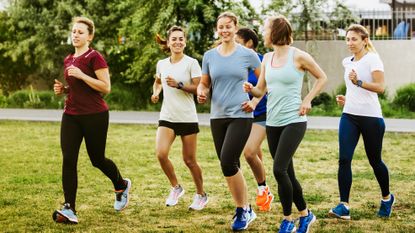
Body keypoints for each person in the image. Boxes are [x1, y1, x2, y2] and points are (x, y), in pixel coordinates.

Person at [244, 15, 327, 233]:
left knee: (279, 169)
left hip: (294, 119)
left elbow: (322, 77)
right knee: (288, 174)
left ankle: (288, 219)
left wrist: (307, 99)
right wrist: (249, 90)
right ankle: (306, 215)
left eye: (266, 28)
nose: (263, 32)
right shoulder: (267, 58)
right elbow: (261, 90)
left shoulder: (298, 56)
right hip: (273, 121)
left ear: (276, 31)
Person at [52, 16, 131, 224]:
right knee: (68, 159)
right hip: (71, 115)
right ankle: (69, 208)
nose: (75, 34)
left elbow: (105, 87)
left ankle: (121, 184)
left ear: (90, 36)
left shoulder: (95, 57)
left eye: (80, 32)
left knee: (97, 159)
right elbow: (78, 88)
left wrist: (82, 75)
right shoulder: (69, 59)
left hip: (95, 115)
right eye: (74, 31)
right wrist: (64, 90)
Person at [197, 12, 261, 231]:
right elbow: (204, 83)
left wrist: (254, 101)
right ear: (217, 29)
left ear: (235, 28)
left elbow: (265, 80)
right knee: (231, 164)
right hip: (217, 116)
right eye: (220, 27)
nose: (224, 30)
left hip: (241, 115)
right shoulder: (209, 56)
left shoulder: (248, 54)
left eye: (228, 26)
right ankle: (244, 207)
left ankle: (243, 210)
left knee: (227, 162)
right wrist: (201, 91)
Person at [328, 24, 394, 220]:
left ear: (365, 40)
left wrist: (359, 83)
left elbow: (380, 87)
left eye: (354, 39)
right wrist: (347, 100)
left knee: (375, 161)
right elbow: (355, 91)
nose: (350, 43)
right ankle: (344, 206)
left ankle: (386, 198)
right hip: (349, 115)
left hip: (372, 118)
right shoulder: (346, 62)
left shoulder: (372, 59)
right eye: (347, 39)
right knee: (344, 159)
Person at [151, 26, 208, 210]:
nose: (177, 42)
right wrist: (156, 93)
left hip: (187, 117)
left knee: (189, 160)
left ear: (185, 42)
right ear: (168, 43)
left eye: (180, 39)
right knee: (161, 154)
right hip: (167, 115)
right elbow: (158, 81)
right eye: (173, 39)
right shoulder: (162, 63)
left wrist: (179, 85)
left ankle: (201, 194)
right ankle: (176, 187)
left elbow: (200, 88)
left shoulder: (191, 63)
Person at [235, 27, 273, 212]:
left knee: (249, 153)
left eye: (238, 42)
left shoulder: (259, 60)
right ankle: (264, 191)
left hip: (262, 113)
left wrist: (255, 102)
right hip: (242, 115)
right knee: (255, 153)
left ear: (249, 43)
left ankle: (263, 188)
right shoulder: (236, 60)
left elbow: (264, 86)